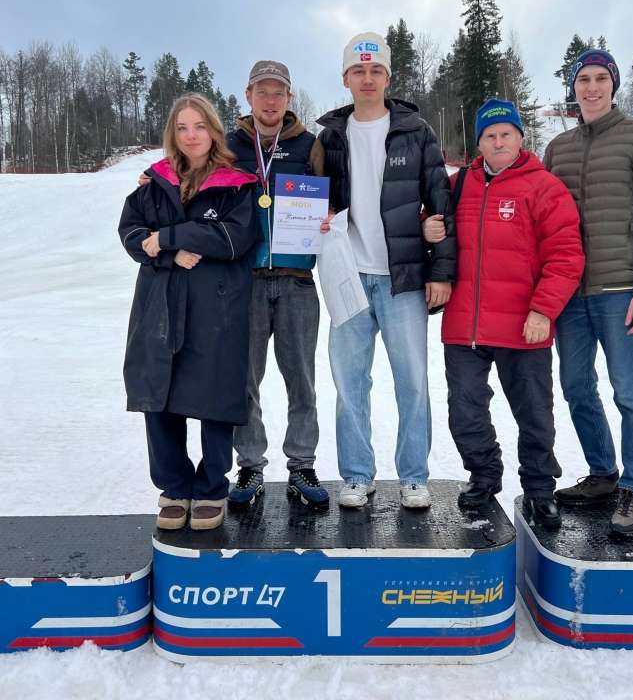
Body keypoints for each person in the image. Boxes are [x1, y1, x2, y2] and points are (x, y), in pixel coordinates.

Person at [423, 100, 584, 527]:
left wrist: (543, 310)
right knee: (466, 411)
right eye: (490, 136)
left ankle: (539, 488)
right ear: (479, 142)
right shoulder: (457, 185)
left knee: (533, 413)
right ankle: (483, 475)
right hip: (465, 326)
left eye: (506, 134)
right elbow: (430, 223)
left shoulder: (544, 187)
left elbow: (566, 256)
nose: (498, 141)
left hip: (523, 327)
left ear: (520, 137)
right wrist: (427, 228)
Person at [318, 32, 456, 509]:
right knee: (349, 382)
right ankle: (357, 474)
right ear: (346, 78)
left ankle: (414, 475)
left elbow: (441, 202)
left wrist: (441, 272)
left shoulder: (415, 130)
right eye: (359, 70)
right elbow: (313, 195)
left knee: (412, 380)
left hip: (404, 279)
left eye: (376, 70)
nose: (368, 78)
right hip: (348, 276)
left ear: (388, 77)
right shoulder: (330, 136)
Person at [543, 49, 633, 537]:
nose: (591, 88)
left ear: (613, 85)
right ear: (573, 87)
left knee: (629, 391)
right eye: (583, 80)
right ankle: (603, 474)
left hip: (621, 290)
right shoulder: (558, 148)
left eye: (601, 79)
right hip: (571, 294)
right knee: (577, 387)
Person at [119, 94, 258, 531]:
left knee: (214, 395)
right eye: (182, 128)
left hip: (216, 308)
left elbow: (235, 239)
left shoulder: (237, 183)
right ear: (173, 135)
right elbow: (132, 233)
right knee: (159, 397)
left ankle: (211, 486)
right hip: (160, 304)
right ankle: (174, 486)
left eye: (199, 126)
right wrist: (166, 254)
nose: (191, 135)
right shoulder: (154, 185)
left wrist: (174, 236)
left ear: (213, 131)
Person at [225, 60, 329, 511]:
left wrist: (329, 219)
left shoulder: (310, 145)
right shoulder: (228, 146)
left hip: (296, 280)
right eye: (262, 92)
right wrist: (156, 175)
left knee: (301, 379)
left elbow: (337, 194)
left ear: (289, 98)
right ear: (248, 96)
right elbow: (187, 167)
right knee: (242, 379)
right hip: (243, 280)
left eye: (279, 93)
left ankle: (301, 464)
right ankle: (250, 464)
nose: (271, 101)